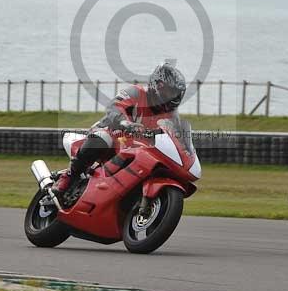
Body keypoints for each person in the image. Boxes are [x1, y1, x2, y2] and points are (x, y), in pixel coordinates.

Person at [53, 63, 187, 196]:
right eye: (168, 91)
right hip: (112, 131)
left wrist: (185, 148)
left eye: (174, 93)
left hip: (137, 147)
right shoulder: (137, 92)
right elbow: (114, 106)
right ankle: (69, 176)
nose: (170, 96)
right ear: (157, 85)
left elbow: (175, 136)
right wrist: (124, 122)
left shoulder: (172, 116)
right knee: (102, 138)